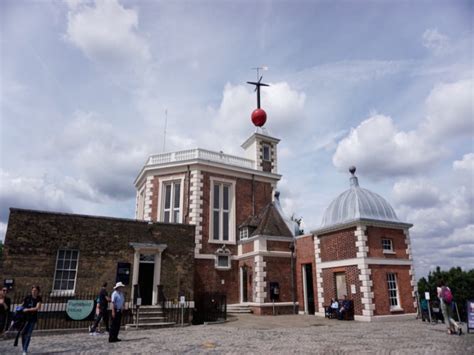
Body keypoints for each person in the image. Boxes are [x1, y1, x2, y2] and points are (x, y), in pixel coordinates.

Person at [20, 285, 42, 354]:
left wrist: (28, 309)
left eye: (35, 290)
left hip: (32, 319)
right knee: (23, 334)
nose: (33, 292)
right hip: (25, 318)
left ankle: (25, 350)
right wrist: (19, 308)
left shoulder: (39, 298)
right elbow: (22, 305)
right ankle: (24, 347)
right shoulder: (27, 297)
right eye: (32, 290)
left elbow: (37, 308)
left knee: (28, 334)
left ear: (38, 291)